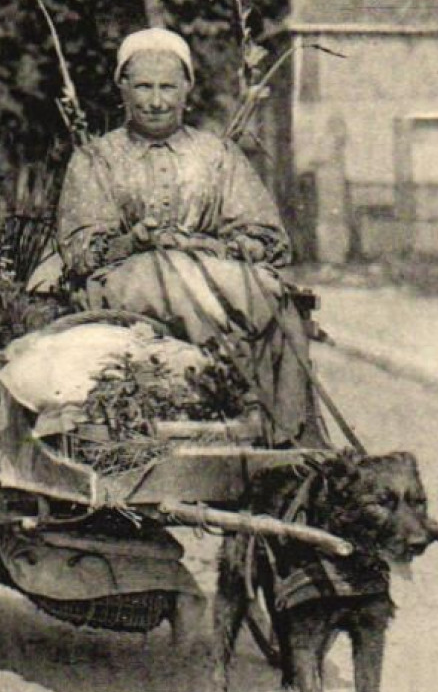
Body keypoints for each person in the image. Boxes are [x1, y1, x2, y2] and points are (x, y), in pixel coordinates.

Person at [55, 27, 323, 446]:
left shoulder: (217, 156)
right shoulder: (96, 160)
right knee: (169, 273)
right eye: (143, 86)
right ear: (121, 88)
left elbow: (270, 240)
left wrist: (209, 245)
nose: (156, 100)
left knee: (269, 289)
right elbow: (79, 250)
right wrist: (135, 241)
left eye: (168, 87)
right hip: (125, 281)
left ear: (187, 89)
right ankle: (222, 387)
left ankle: (284, 432)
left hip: (212, 271)